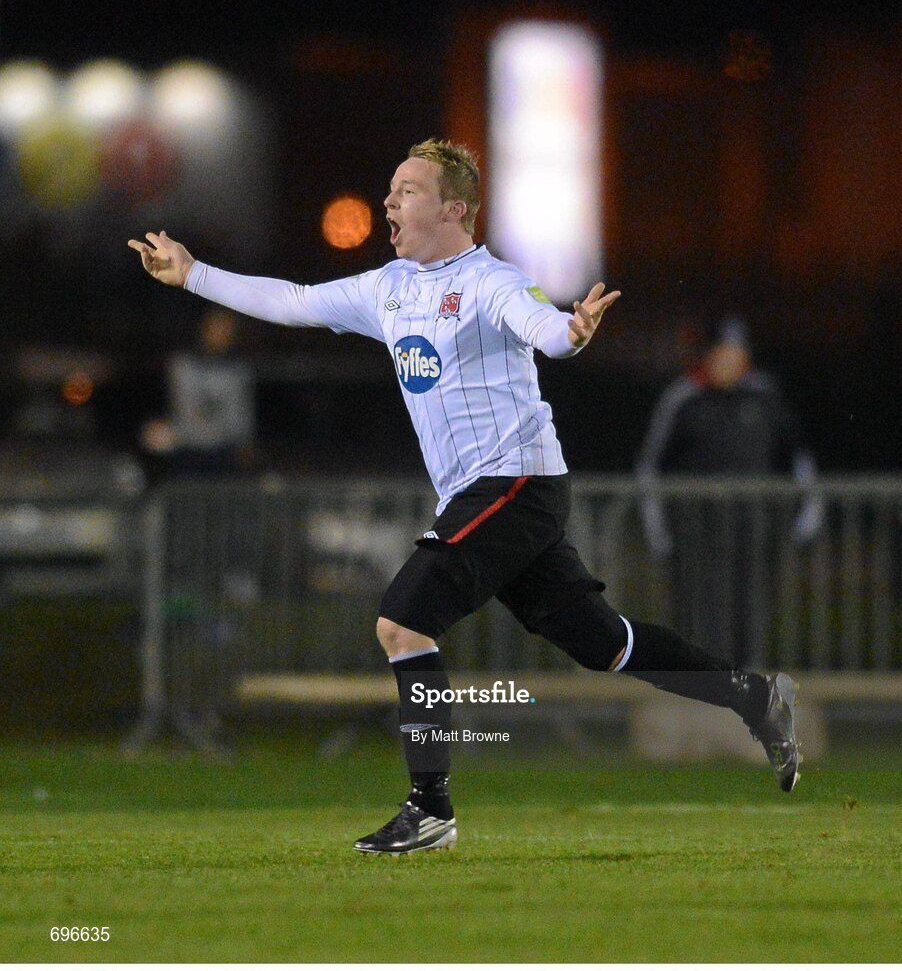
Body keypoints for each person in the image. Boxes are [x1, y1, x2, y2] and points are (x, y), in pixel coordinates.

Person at [129, 138, 801, 856]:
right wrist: (193, 273)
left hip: (517, 479)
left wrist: (570, 334)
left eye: (407, 190)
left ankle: (431, 808)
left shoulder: (491, 282)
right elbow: (290, 301)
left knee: (402, 621)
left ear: (455, 209)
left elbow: (543, 327)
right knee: (603, 643)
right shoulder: (385, 289)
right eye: (390, 188)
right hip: (494, 493)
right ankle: (755, 698)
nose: (389, 201)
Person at [636, 318, 823, 665]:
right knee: (699, 607)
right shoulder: (683, 398)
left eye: (735, 353)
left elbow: (797, 460)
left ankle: (747, 682)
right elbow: (651, 467)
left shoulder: (766, 397)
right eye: (720, 353)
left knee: (751, 606)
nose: (727, 362)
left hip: (753, 528)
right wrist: (658, 529)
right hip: (695, 530)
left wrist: (807, 516)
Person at [141, 308, 255, 478]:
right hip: (185, 452)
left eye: (227, 329)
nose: (221, 335)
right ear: (204, 329)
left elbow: (240, 417)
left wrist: (245, 444)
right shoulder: (181, 365)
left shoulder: (239, 371)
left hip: (224, 454)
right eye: (216, 328)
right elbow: (180, 411)